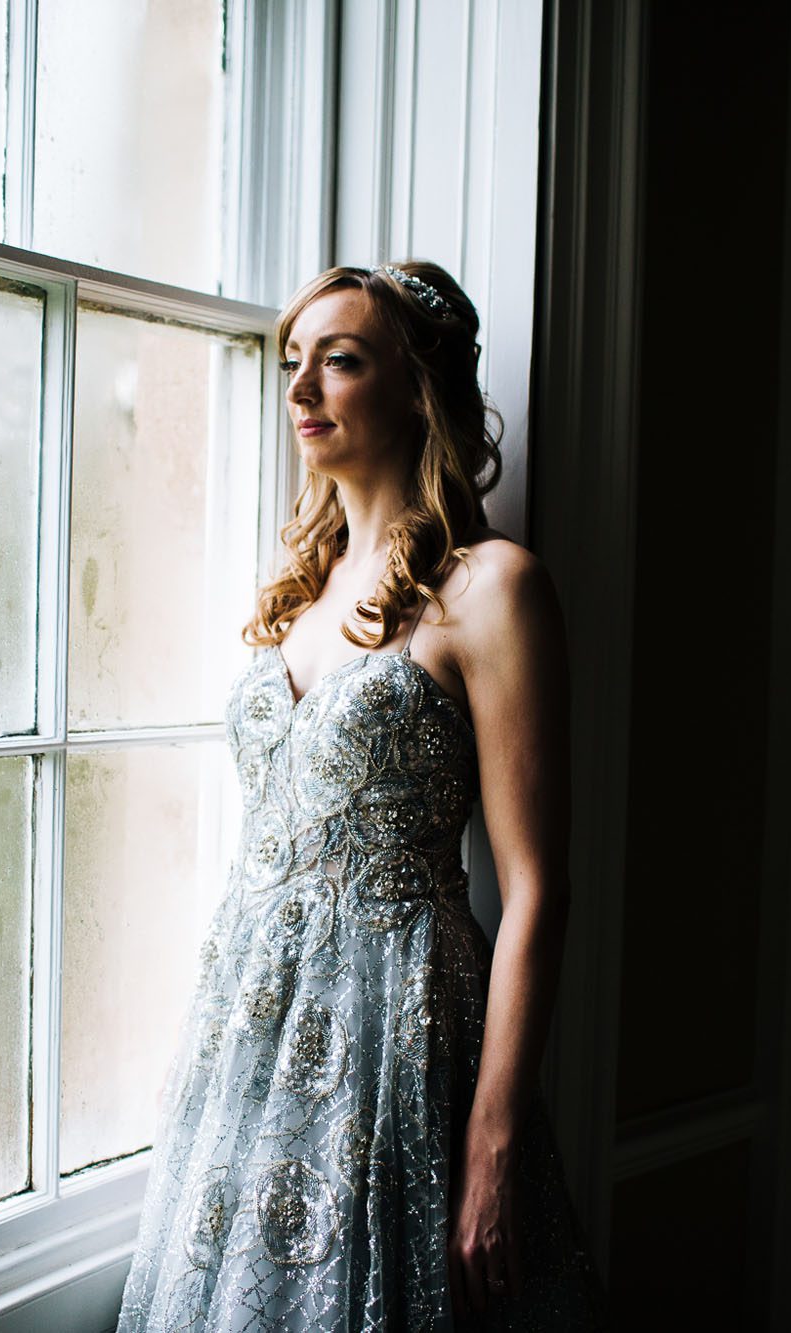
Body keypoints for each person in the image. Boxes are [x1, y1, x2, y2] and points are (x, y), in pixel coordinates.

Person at [117, 261, 601, 1330]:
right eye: (293, 363)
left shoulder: (492, 589)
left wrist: (493, 1138)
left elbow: (535, 891)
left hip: (398, 1035)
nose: (298, 391)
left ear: (415, 388)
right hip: (247, 1033)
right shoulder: (299, 588)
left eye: (336, 362)